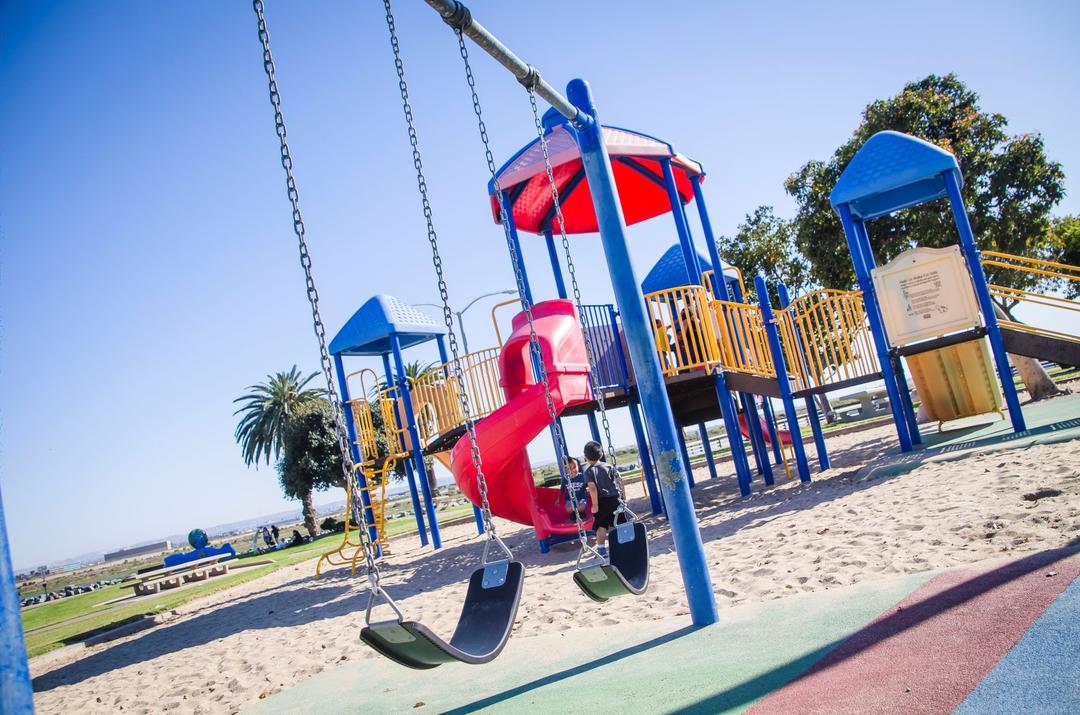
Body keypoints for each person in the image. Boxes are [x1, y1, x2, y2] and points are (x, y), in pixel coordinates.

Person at [582, 440, 622, 558]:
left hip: (602, 501)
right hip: (615, 498)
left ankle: (601, 549)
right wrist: (623, 496)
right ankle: (623, 544)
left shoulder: (589, 471)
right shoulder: (608, 466)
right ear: (601, 454)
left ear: (585, 456)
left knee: (601, 525)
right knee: (619, 522)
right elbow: (620, 480)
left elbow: (593, 488)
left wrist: (595, 505)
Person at [559, 456, 588, 522]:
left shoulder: (582, 476)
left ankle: (581, 514)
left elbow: (588, 485)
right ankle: (573, 515)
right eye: (569, 468)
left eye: (575, 467)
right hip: (569, 499)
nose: (573, 470)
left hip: (581, 497)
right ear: (566, 469)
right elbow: (562, 489)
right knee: (568, 509)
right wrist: (558, 498)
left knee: (581, 507)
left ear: (578, 466)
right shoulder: (565, 479)